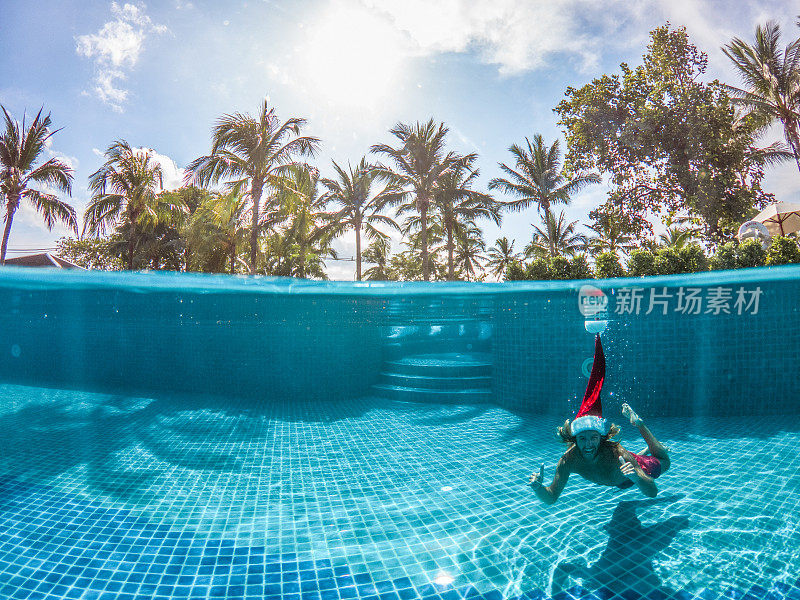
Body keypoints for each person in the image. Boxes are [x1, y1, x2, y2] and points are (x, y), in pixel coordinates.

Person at [528, 335, 671, 504]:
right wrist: (538, 488)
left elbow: (653, 492)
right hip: (621, 478)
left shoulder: (618, 455)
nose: (588, 444)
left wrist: (637, 478)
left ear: (601, 438)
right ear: (574, 439)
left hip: (630, 471)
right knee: (625, 479)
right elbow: (551, 497)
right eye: (582, 438)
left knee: (664, 460)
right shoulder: (568, 461)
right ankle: (642, 451)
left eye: (593, 438)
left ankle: (638, 423)